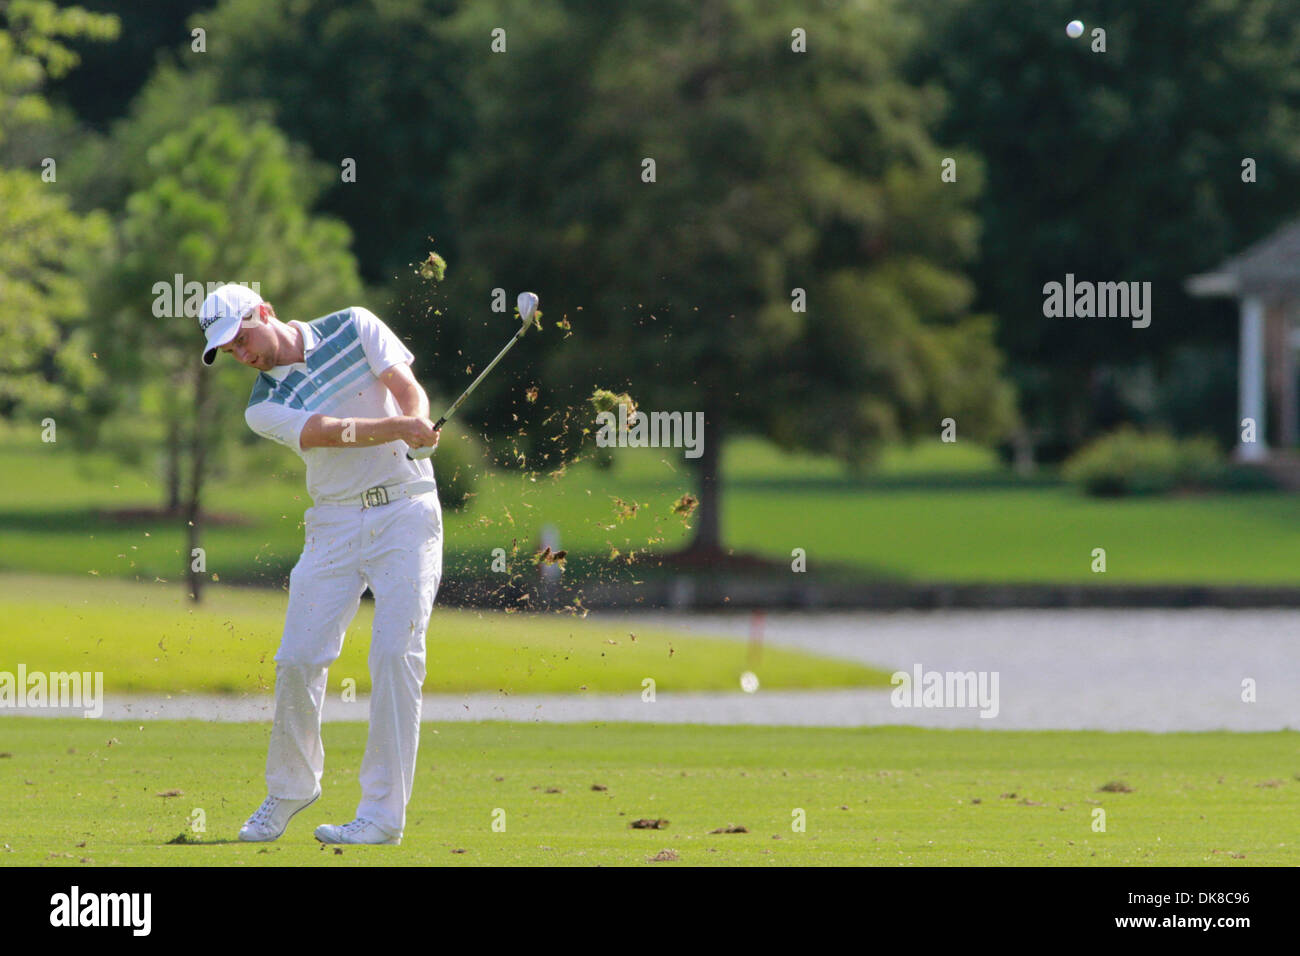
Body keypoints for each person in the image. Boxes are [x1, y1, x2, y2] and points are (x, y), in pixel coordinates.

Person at [197, 283, 442, 845]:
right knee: (298, 658)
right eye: (230, 351)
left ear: (265, 312)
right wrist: (400, 429)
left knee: (395, 656)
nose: (242, 354)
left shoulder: (354, 324)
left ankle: (381, 816)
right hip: (333, 524)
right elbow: (331, 434)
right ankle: (290, 788)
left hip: (407, 511)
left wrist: (418, 420)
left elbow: (405, 386)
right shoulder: (263, 406)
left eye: (242, 338)